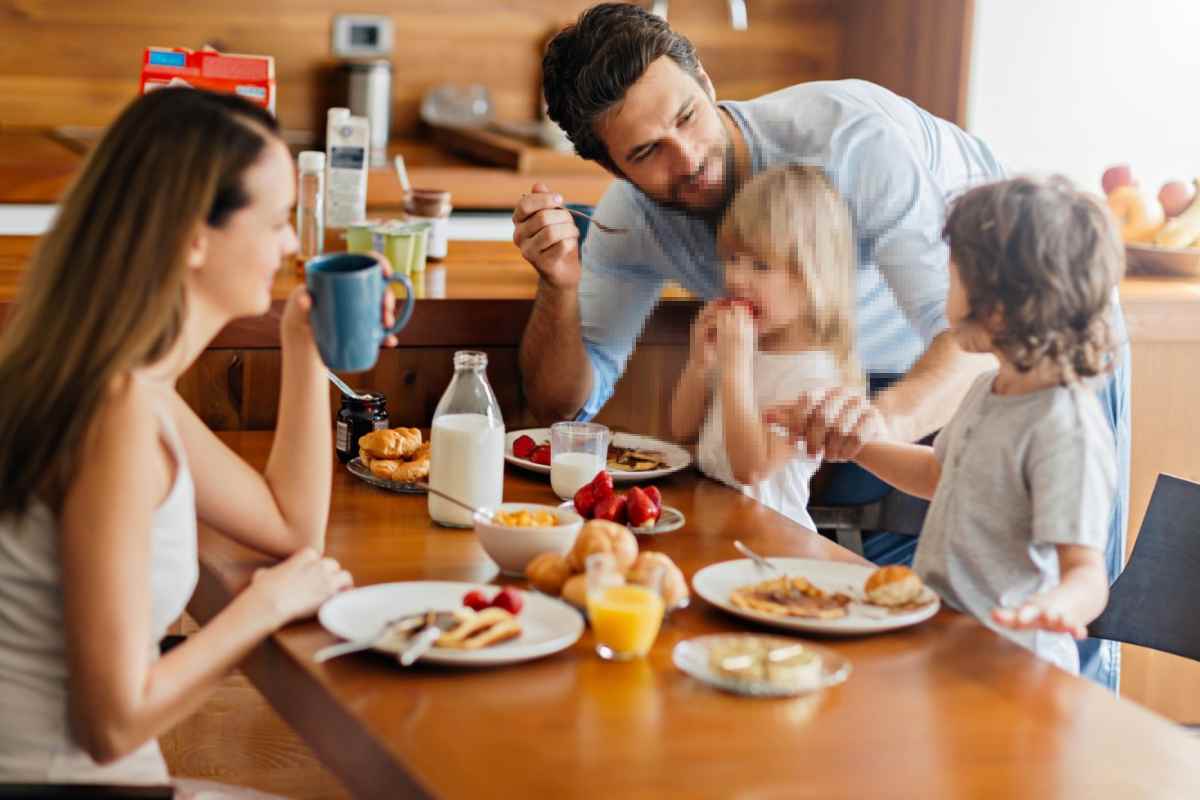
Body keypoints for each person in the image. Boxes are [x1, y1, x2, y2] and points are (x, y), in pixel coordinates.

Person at [514, 2, 1129, 690]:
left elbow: (969, 341)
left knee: (1050, 644)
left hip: (1023, 345)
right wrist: (559, 288)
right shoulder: (635, 222)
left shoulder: (851, 141)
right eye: (646, 152)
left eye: (686, 116)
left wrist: (871, 422)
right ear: (613, 169)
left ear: (708, 83)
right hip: (884, 395)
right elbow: (562, 403)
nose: (685, 158)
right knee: (922, 644)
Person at [0, 87, 395, 792]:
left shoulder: (117, 380)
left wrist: (302, 343)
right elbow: (112, 724)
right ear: (193, 235)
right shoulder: (114, 417)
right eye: (277, 222)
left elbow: (288, 526)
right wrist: (264, 607)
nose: (288, 246)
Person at [839, 176, 1120, 672]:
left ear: (997, 306)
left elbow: (1087, 575)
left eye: (953, 278)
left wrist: (1056, 607)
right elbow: (938, 476)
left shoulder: (1065, 427)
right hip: (947, 638)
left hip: (1015, 664)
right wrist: (856, 446)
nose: (945, 296)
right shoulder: (987, 388)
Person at [671, 165, 859, 531]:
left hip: (771, 538)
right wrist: (699, 363)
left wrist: (735, 370)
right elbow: (682, 431)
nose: (737, 278)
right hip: (715, 519)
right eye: (733, 259)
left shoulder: (816, 376)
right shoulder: (747, 344)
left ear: (810, 277)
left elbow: (752, 469)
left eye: (759, 265)